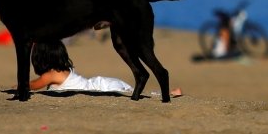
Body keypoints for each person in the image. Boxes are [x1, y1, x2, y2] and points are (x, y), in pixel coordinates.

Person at [26, 40, 183, 96]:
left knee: (132, 95)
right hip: (103, 83)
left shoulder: (52, 74)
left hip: (103, 87)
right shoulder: (60, 71)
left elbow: (32, 85)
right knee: (134, 94)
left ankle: (171, 93)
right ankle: (171, 93)